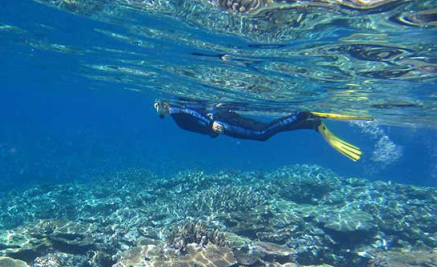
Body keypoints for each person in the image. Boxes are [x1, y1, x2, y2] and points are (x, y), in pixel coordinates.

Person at [154, 101, 370, 161]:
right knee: (262, 134)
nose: (158, 109)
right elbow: (194, 123)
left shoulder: (175, 110)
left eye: (159, 106)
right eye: (158, 107)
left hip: (221, 119)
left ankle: (302, 114)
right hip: (219, 122)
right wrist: (210, 131)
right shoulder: (174, 114)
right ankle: (311, 123)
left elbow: (190, 113)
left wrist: (210, 125)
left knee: (262, 134)